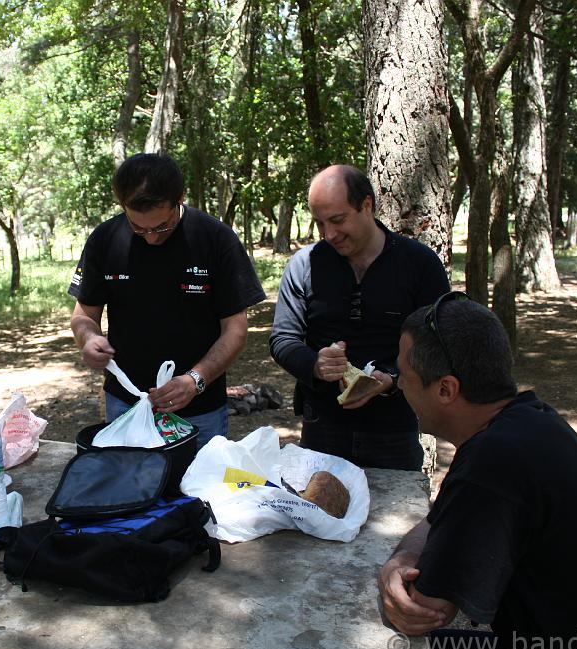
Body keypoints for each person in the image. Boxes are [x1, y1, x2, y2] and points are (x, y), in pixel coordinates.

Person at [378, 293, 577, 649]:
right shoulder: (527, 420)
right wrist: (404, 557)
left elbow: (423, 610)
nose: (398, 384)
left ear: (445, 389)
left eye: (404, 376)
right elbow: (440, 518)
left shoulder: (493, 464)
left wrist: (392, 573)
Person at [68, 153, 265, 450]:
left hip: (201, 409)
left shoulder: (215, 240)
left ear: (180, 200)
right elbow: (83, 314)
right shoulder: (105, 240)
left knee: (200, 493)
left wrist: (195, 380)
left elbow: (235, 330)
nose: (150, 238)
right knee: (128, 489)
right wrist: (89, 337)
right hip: (127, 405)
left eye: (161, 227)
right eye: (138, 228)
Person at [269, 165, 449, 470]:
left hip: (394, 428)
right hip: (322, 427)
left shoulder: (419, 264)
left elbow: (436, 341)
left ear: (367, 205)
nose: (330, 235)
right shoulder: (304, 265)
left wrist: (391, 377)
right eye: (320, 223)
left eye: (338, 220)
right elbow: (282, 339)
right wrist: (316, 364)